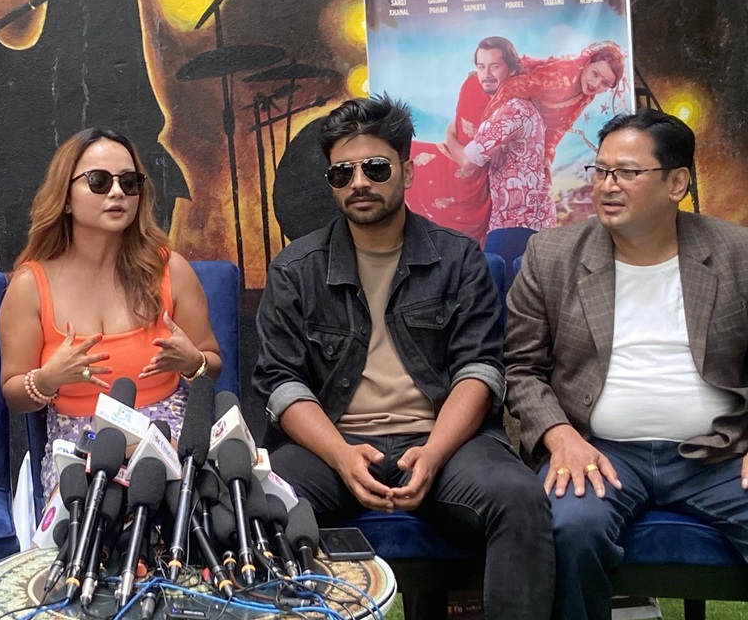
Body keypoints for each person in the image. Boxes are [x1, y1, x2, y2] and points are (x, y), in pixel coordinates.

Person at [255, 95, 554, 620]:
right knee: (258, 504)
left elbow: (480, 370)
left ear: (407, 171)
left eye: (375, 168)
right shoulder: (294, 269)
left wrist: (434, 453)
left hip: (445, 442)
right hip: (333, 444)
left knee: (519, 498)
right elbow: (281, 384)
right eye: (342, 173)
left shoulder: (457, 258)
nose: (359, 183)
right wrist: (341, 455)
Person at [505, 109, 748, 620]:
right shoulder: (552, 255)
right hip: (600, 450)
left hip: (720, 451)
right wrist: (559, 436)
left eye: (628, 172)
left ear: (676, 182)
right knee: (571, 528)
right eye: (601, 171)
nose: (608, 186)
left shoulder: (736, 253)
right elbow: (521, 368)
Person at [0, 127, 220, 496]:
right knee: (92, 518)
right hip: (80, 442)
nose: (117, 192)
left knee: (179, 508)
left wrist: (192, 362)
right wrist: (47, 379)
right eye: (98, 181)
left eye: (129, 182)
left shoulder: (171, 269)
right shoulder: (30, 285)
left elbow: (211, 364)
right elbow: (13, 393)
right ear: (65, 199)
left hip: (166, 432)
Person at [451, 41, 625, 232]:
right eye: (595, 74)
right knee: (472, 174)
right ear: (587, 63)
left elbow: (559, 126)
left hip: (519, 121)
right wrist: (489, 127)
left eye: (605, 83)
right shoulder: (560, 79)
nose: (596, 84)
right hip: (492, 95)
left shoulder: (585, 93)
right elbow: (513, 86)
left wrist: (547, 157)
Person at [407, 36, 524, 243]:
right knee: (401, 155)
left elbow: (467, 161)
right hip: (473, 165)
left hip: (475, 175)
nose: (486, 74)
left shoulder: (515, 105)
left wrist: (449, 135)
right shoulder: (475, 85)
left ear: (511, 68)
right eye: (481, 67)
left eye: (494, 66)